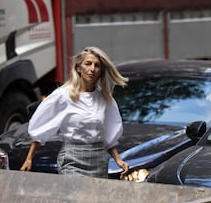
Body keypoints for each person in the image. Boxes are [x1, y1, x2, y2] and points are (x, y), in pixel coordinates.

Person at [20, 46, 130, 178]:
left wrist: (118, 160)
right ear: (78, 68)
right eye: (88, 64)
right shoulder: (63, 95)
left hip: (99, 159)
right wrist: (29, 158)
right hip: (72, 158)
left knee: (94, 198)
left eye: (97, 65)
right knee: (75, 196)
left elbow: (108, 134)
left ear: (101, 71)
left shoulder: (105, 98)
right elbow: (43, 125)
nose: (92, 69)